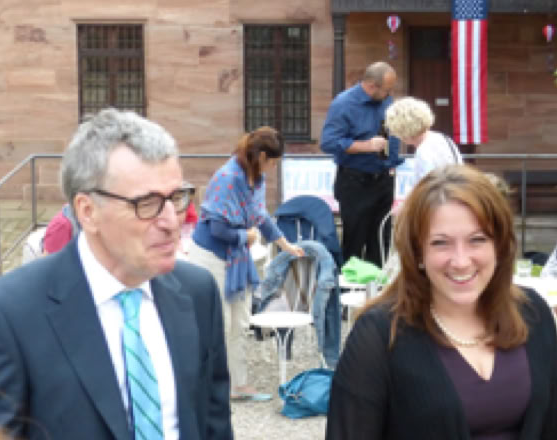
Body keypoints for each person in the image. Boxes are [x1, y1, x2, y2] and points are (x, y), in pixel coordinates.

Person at [0, 108, 233, 440]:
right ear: (88, 212)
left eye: (176, 197)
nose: (172, 221)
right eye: (147, 203)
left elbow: (214, 424)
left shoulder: (198, 291)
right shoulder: (8, 314)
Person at [326, 164, 557, 439]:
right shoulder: (380, 336)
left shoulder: (532, 313)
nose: (461, 261)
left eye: (477, 240)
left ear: (500, 245)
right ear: (418, 251)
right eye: (440, 243)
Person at [188, 126, 304, 401]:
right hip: (211, 255)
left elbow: (261, 217)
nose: (274, 168)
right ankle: (212, 386)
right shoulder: (228, 178)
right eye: (273, 162)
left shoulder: (256, 177)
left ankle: (237, 384)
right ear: (262, 156)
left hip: (236, 257)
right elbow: (217, 228)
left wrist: (285, 245)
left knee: (240, 323)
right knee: (220, 324)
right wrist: (246, 236)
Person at [321, 61, 404, 268]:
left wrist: (392, 160)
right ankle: (351, 287)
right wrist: (365, 146)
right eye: (387, 90)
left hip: (384, 179)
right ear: (372, 86)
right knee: (355, 241)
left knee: (381, 240)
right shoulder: (344, 104)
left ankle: (378, 285)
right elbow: (328, 142)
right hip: (355, 181)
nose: (389, 94)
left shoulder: (386, 100)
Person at [385, 96, 463, 185]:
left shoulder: (424, 152)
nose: (398, 136)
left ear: (404, 129)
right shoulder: (443, 138)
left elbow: (428, 188)